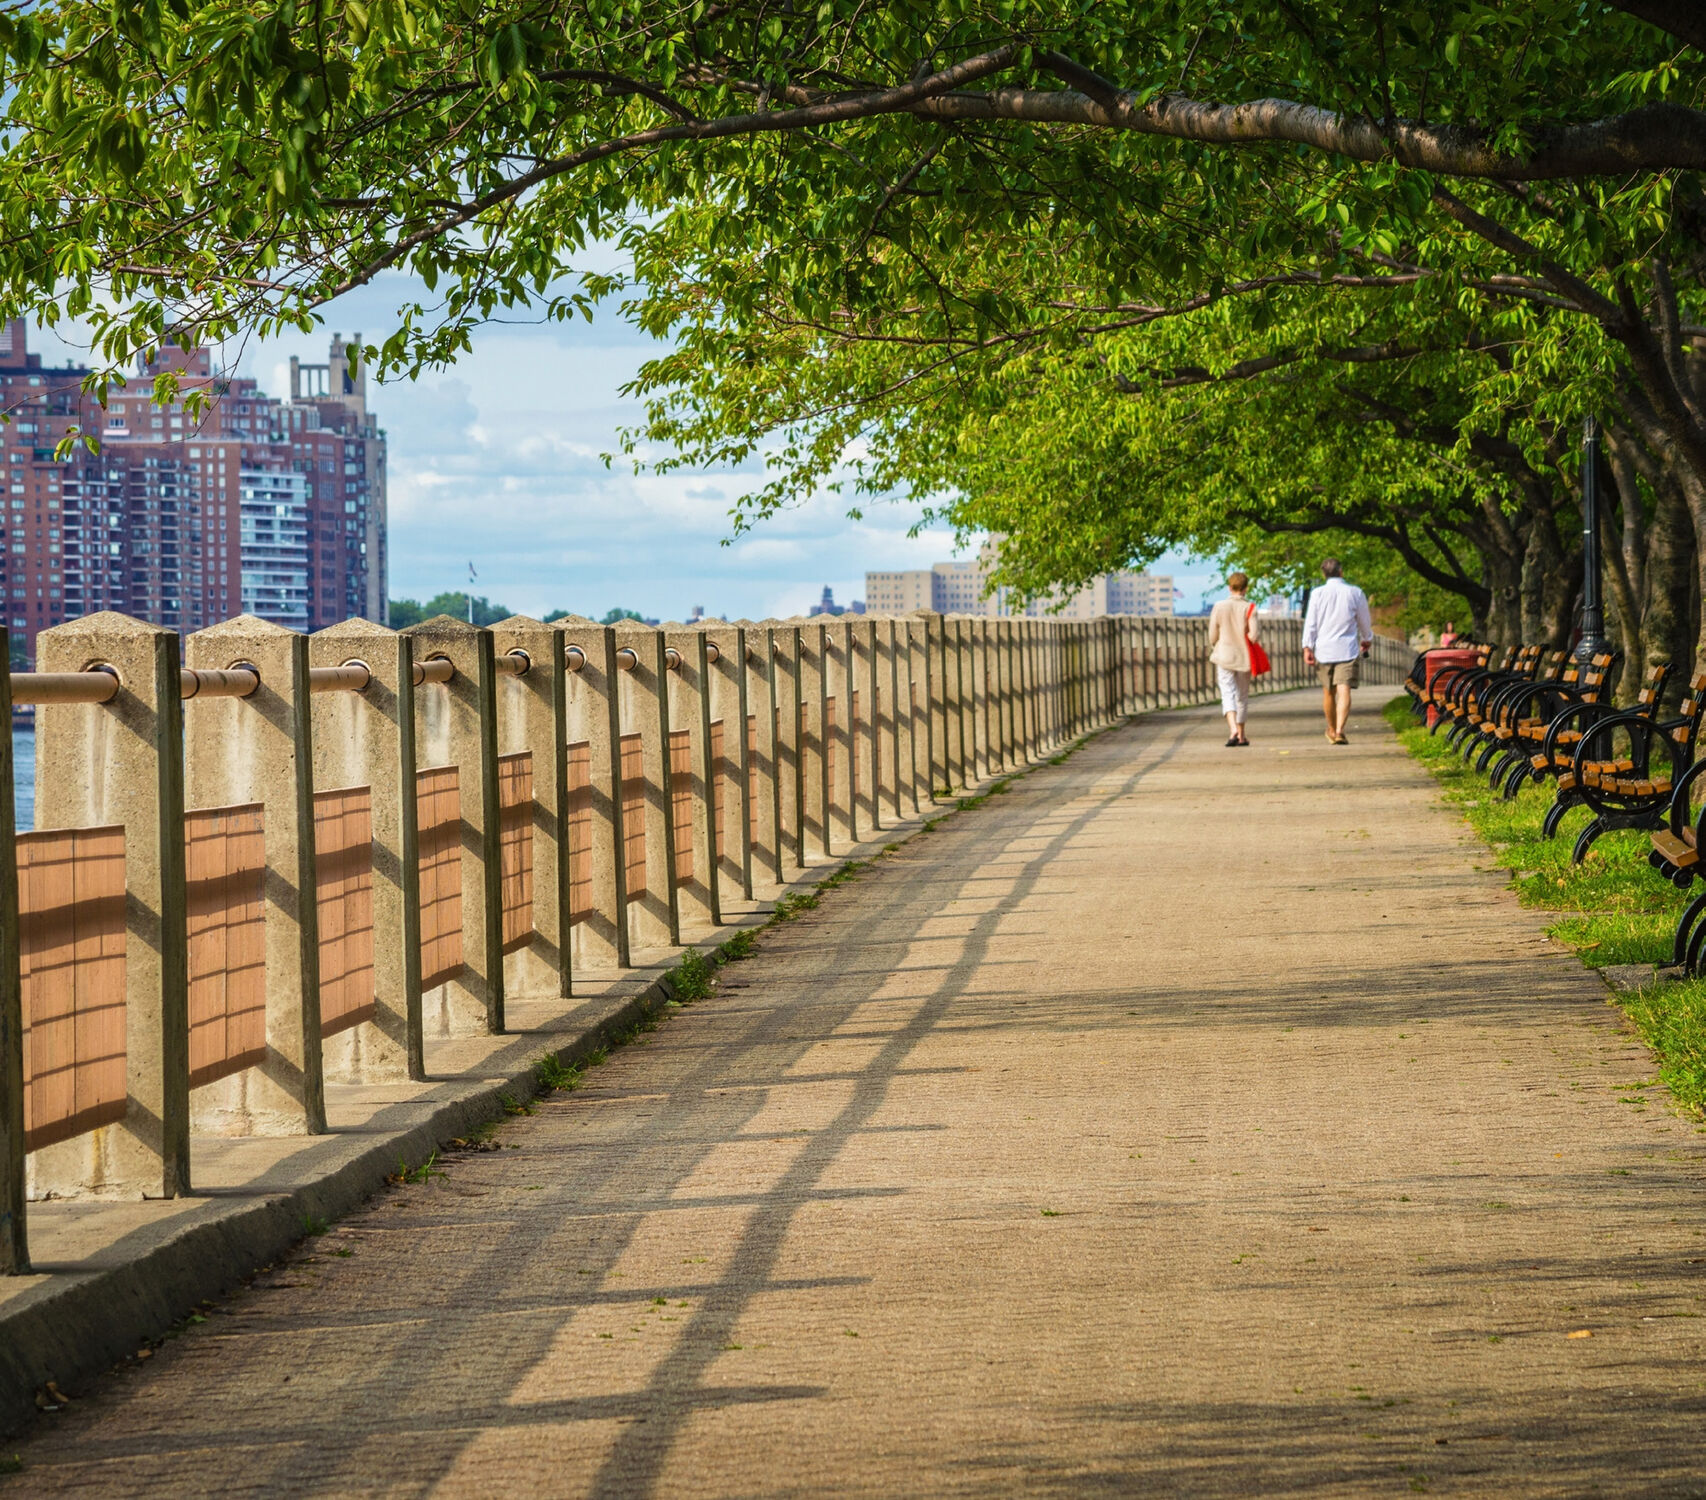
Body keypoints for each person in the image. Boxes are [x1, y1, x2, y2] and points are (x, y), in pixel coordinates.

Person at [1301, 557, 1373, 745]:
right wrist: (1367, 638)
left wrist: (1307, 646)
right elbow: (1364, 620)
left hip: (1324, 650)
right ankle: (1340, 730)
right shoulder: (1355, 593)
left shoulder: (1317, 594)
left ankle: (1331, 729)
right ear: (1341, 572)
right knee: (1345, 690)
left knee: (1328, 692)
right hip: (1347, 649)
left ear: (1324, 574)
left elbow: (1311, 623)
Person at [1207, 572, 1260, 746]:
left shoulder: (1219, 606)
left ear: (1230, 587)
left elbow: (1212, 634)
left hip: (1224, 655)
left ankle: (1232, 730)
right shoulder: (1250, 607)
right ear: (1246, 588)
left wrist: (1216, 644)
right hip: (1243, 656)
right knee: (1242, 696)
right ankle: (1242, 734)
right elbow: (1254, 635)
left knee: (1227, 692)